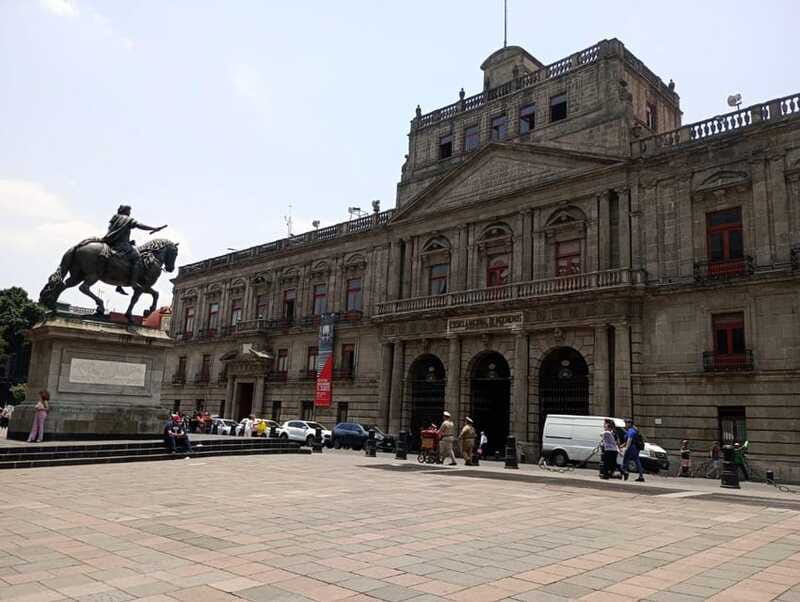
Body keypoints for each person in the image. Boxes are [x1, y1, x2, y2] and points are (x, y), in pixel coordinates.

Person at [101, 204, 167, 294]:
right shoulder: (127, 219)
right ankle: (133, 282)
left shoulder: (115, 218)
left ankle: (119, 285)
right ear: (125, 211)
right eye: (129, 211)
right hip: (120, 244)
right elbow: (139, 225)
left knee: (124, 261)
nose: (129, 212)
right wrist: (153, 228)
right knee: (137, 257)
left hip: (110, 242)